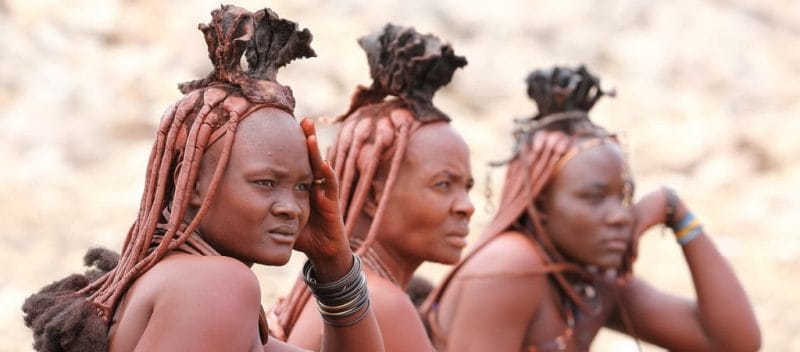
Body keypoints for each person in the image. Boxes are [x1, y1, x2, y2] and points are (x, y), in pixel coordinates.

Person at [21, 5, 384, 352]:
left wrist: (334, 262)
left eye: (302, 187)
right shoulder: (216, 284)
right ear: (190, 184)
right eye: (265, 183)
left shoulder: (186, 284)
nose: (291, 208)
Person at [420, 65, 761, 351]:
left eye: (624, 197)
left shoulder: (590, 280)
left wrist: (677, 213)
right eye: (594, 198)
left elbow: (731, 342)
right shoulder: (510, 266)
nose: (618, 216)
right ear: (540, 205)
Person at [268, 24, 474, 351]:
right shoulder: (383, 303)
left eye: (468, 187)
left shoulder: (357, 294)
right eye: (444, 184)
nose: (466, 206)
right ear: (376, 194)